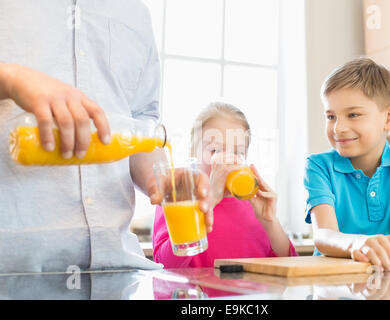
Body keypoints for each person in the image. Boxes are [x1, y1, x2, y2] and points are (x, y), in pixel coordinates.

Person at [0, 1, 209, 273]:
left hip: (117, 269)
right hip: (14, 270)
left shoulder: (136, 13)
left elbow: (141, 127)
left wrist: (161, 182)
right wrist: (10, 79)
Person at [303, 57, 390, 271]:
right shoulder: (318, 166)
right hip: (333, 281)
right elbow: (323, 235)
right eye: (331, 116)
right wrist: (357, 244)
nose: (338, 128)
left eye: (353, 114)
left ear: (389, 118)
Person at [152, 102, 298, 268]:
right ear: (192, 154)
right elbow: (165, 265)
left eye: (238, 153)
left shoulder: (254, 207)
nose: (227, 161)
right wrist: (209, 200)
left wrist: (270, 222)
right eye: (215, 151)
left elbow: (291, 266)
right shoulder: (177, 198)